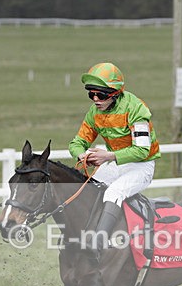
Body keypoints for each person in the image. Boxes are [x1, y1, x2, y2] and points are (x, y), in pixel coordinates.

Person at [68, 62, 161, 257]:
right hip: (117, 164)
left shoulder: (136, 109)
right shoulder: (95, 113)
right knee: (90, 187)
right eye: (90, 94)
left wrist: (107, 156)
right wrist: (83, 155)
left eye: (100, 95)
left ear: (114, 92)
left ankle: (99, 244)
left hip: (141, 166)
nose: (95, 99)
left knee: (113, 193)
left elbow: (142, 151)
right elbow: (76, 143)